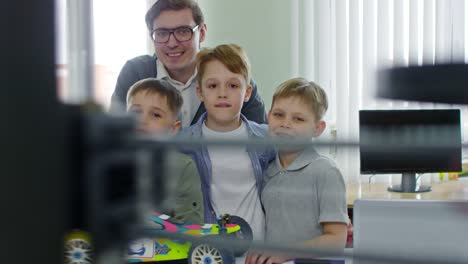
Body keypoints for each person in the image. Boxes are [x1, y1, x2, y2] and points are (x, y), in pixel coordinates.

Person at [111, 0, 267, 127]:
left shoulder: (232, 77)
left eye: (183, 31)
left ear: (202, 33)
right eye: (162, 33)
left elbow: (261, 143)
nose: (172, 43)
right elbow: (114, 134)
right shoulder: (136, 73)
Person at [245, 78, 349, 264]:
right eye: (278, 115)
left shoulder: (326, 171)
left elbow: (336, 240)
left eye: (298, 119)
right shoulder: (267, 169)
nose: (285, 124)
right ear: (268, 117)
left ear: (317, 128)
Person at [179, 44, 275, 241]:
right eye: (213, 86)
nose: (222, 93)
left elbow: (304, 169)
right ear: (200, 92)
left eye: (233, 85)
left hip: (259, 253)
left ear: (247, 92)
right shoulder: (182, 143)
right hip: (208, 252)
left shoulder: (269, 138)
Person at [127, 78, 203, 223]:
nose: (142, 120)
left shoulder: (183, 166)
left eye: (155, 115)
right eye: (136, 112)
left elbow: (190, 224)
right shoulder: (110, 160)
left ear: (173, 129)